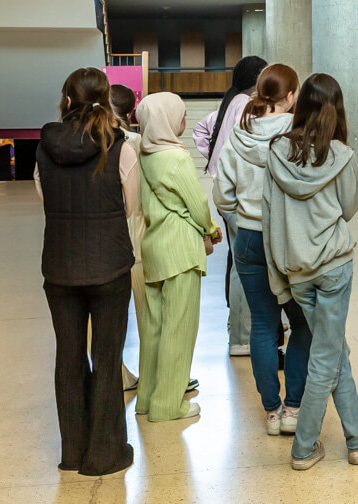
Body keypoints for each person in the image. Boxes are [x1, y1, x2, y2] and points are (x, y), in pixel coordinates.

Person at [263, 73, 358, 470]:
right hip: (333, 267)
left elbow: (269, 217)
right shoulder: (341, 155)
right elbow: (350, 207)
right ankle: (304, 447)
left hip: (296, 269)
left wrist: (278, 277)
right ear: (336, 108)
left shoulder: (277, 151)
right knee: (325, 357)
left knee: (334, 353)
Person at [36, 67, 137, 476]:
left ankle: (73, 452)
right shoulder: (120, 146)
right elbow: (128, 207)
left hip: (59, 266)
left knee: (69, 356)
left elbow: (43, 199)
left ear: (66, 100)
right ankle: (104, 454)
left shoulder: (45, 147)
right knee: (107, 356)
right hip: (109, 266)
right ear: (107, 98)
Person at [213, 64, 313, 437]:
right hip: (287, 239)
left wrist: (243, 214)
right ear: (289, 97)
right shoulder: (297, 137)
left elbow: (221, 195)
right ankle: (294, 406)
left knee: (262, 323)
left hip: (250, 237)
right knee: (302, 322)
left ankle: (271, 411)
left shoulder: (239, 136)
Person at [134, 92, 219, 422]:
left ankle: (148, 398)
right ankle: (169, 405)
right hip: (181, 250)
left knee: (154, 327)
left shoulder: (143, 154)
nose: (184, 121)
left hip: (153, 246)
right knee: (179, 329)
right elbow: (197, 204)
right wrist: (211, 228)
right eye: (181, 115)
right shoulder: (176, 158)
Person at [194, 55, 268, 356]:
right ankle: (243, 335)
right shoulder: (245, 106)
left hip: (226, 192)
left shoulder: (231, 102)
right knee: (245, 266)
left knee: (240, 263)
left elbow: (202, 131)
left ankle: (241, 331)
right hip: (240, 195)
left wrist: (212, 161)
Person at [109, 83, 145, 392]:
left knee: (111, 314)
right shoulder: (138, 142)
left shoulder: (98, 142)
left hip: (109, 237)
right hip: (139, 233)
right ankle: (155, 373)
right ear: (132, 111)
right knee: (147, 310)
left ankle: (116, 373)